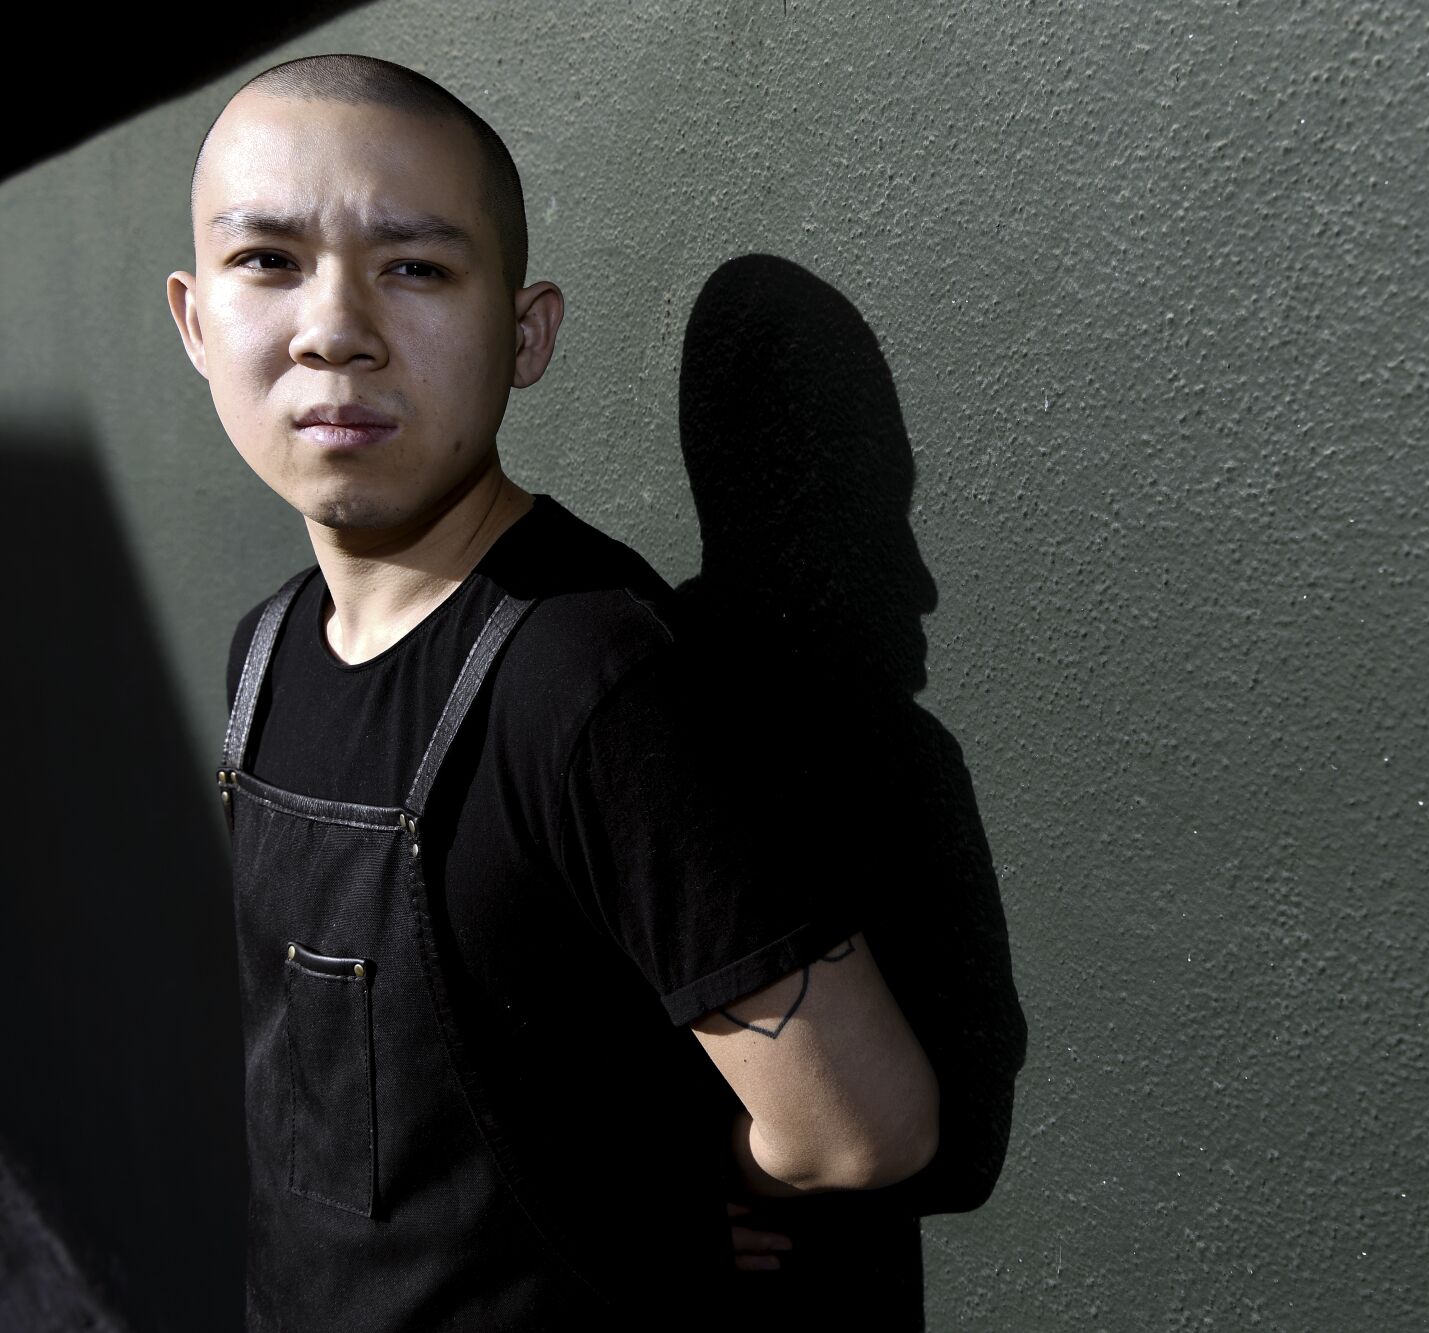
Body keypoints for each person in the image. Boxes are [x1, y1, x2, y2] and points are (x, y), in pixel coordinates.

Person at [165, 53, 939, 1329]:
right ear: (196, 322)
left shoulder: (584, 678)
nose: (334, 327)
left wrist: (674, 1185)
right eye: (269, 261)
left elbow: (861, 1127)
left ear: (524, 334)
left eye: (415, 267)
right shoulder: (266, 652)